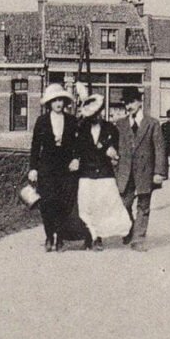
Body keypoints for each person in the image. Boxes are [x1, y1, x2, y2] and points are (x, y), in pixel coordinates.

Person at [70, 83, 132, 251]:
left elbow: (115, 147)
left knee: (109, 205)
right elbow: (77, 149)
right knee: (86, 206)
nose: (97, 116)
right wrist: (75, 159)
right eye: (93, 113)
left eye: (99, 112)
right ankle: (93, 237)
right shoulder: (81, 129)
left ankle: (124, 229)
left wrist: (112, 151)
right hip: (87, 173)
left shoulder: (111, 128)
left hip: (104, 173)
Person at [28, 83, 82, 252]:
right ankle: (49, 235)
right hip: (47, 168)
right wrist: (33, 168)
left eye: (61, 100)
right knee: (47, 203)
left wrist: (76, 159)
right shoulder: (42, 121)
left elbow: (79, 144)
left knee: (64, 203)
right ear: (49, 103)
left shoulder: (72, 120)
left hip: (65, 168)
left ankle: (59, 236)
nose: (58, 104)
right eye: (55, 100)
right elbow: (36, 146)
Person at [114, 87, 166, 251]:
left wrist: (159, 172)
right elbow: (115, 145)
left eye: (131, 102)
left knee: (143, 206)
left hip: (145, 171)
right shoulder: (120, 124)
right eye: (126, 103)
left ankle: (138, 240)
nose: (128, 106)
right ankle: (130, 228)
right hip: (125, 171)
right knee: (123, 204)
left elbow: (159, 148)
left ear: (139, 102)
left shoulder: (152, 124)